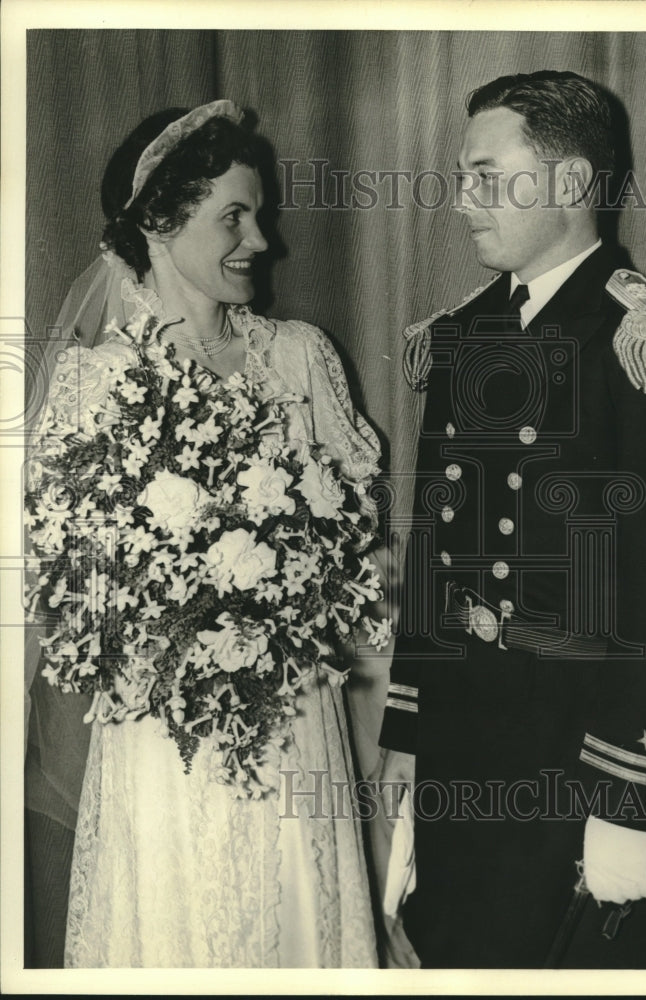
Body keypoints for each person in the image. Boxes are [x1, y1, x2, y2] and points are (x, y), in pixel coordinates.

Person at [377, 71, 646, 968]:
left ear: (572, 185)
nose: (463, 201)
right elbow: (437, 548)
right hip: (464, 754)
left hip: (582, 763)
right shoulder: (462, 335)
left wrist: (632, 798)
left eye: (488, 177)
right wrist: (409, 736)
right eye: (462, 176)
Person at [25, 100, 381, 968]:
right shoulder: (97, 382)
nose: (260, 240)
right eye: (234, 216)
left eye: (259, 215)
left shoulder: (297, 355)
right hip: (162, 735)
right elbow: (64, 584)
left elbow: (362, 537)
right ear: (157, 221)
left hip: (295, 717)